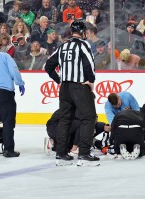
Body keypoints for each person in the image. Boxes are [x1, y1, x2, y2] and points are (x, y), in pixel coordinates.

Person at [45, 21, 99, 166]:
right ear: (82, 32)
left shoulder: (63, 46)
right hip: (79, 87)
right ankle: (84, 153)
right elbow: (89, 64)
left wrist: (59, 80)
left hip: (65, 89)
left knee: (65, 119)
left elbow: (48, 66)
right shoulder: (83, 45)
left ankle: (61, 153)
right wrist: (90, 81)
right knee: (88, 118)